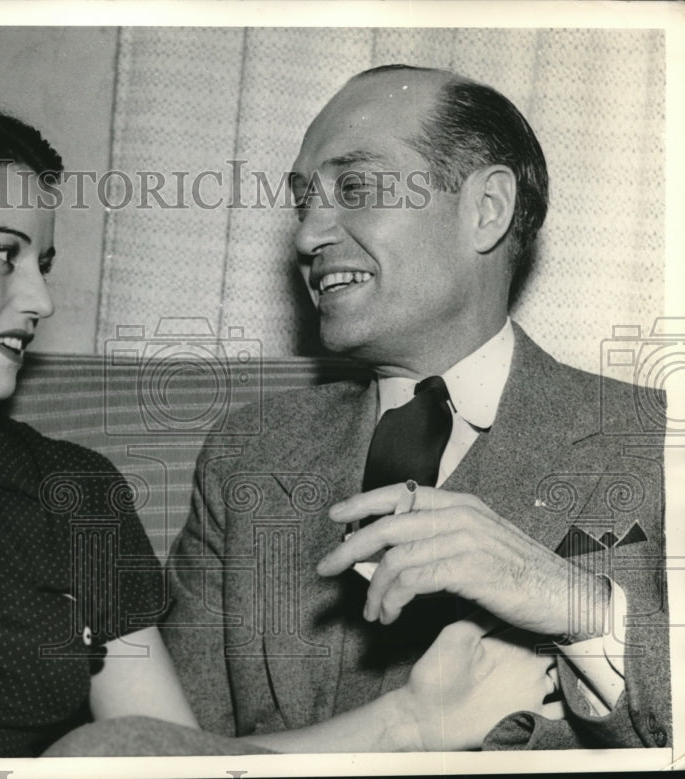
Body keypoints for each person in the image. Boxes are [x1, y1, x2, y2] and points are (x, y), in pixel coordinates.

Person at [0, 93, 558, 760]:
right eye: (2, 253)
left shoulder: (68, 489)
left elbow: (161, 758)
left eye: (43, 265)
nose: (39, 300)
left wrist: (410, 721)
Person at [162, 65, 670, 750]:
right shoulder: (246, 453)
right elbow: (163, 749)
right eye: (303, 201)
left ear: (486, 209)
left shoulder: (653, 444)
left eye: (355, 187)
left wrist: (567, 601)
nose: (308, 236)